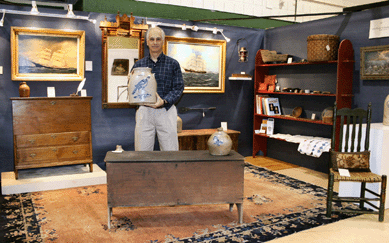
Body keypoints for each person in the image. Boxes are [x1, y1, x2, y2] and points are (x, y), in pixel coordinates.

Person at [131, 27, 184, 151]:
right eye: (152, 39)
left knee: (170, 151)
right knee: (142, 151)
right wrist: (130, 81)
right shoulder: (138, 65)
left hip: (166, 110)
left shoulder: (173, 64)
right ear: (147, 42)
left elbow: (178, 87)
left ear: (163, 41)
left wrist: (164, 101)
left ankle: (170, 171)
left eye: (158, 39)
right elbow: (133, 89)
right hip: (144, 110)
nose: (155, 42)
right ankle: (144, 171)